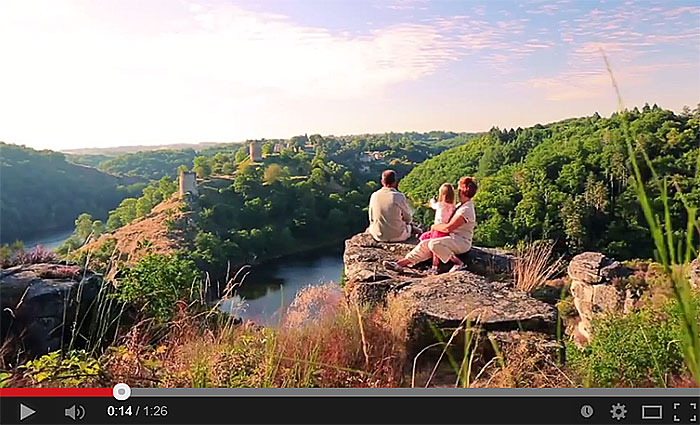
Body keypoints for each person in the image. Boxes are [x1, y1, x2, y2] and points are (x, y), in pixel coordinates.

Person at [383, 176, 477, 274]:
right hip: (452, 239)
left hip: (461, 242)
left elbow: (448, 228)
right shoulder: (460, 206)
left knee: (434, 244)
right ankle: (399, 264)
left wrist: (434, 227)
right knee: (424, 244)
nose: (457, 190)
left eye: (459, 188)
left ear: (462, 190)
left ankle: (459, 263)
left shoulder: (465, 210)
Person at [367, 170, 414, 242]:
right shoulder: (399, 196)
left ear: (382, 182)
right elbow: (408, 219)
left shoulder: (374, 195)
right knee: (410, 227)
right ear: (395, 182)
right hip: (398, 236)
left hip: (378, 236)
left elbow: (371, 219)